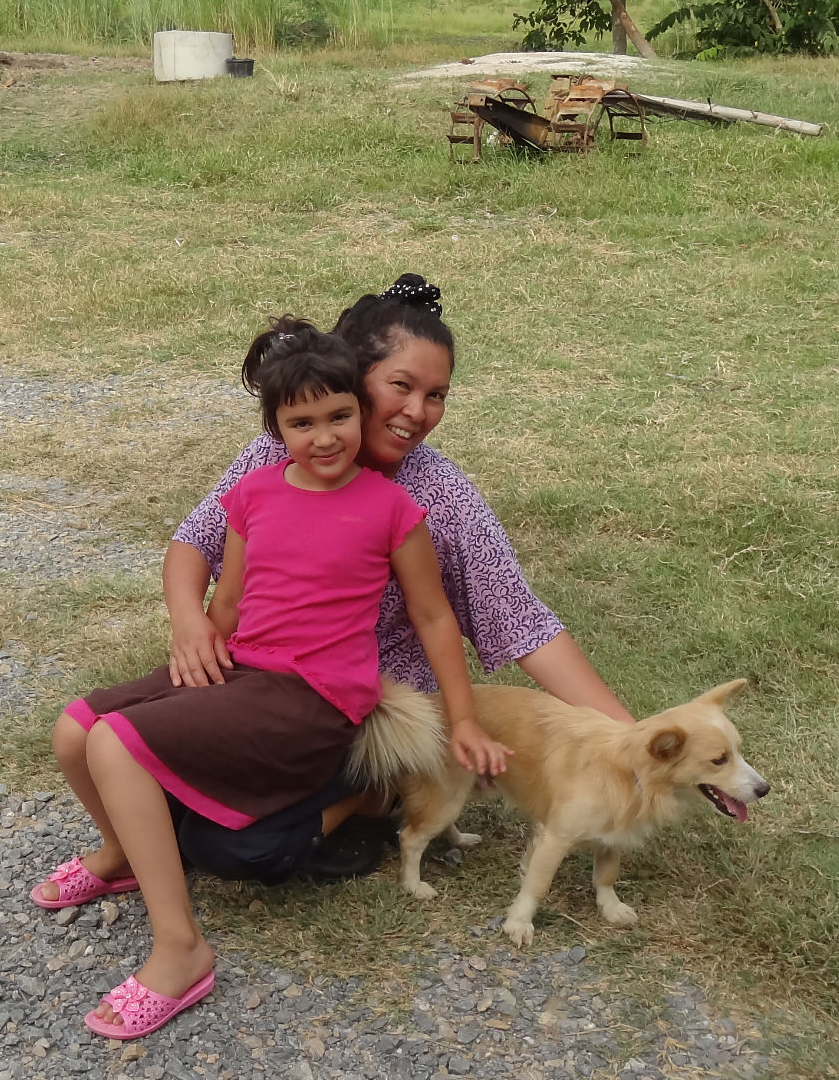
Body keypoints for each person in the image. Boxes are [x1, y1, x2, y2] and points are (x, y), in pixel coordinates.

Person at [32, 317, 513, 1039]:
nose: (325, 438)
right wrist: (195, 658)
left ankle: (181, 951)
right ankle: (122, 854)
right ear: (276, 430)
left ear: (360, 409)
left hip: (317, 698)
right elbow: (228, 601)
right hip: (248, 671)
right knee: (76, 730)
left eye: (340, 416)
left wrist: (465, 719)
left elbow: (434, 616)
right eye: (301, 424)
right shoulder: (253, 495)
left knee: (116, 744)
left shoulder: (393, 508)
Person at [161, 273, 632, 884]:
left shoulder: (444, 498)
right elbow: (192, 542)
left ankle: (373, 794)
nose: (418, 412)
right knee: (162, 787)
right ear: (353, 377)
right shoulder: (281, 455)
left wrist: (633, 741)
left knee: (225, 846)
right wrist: (189, 622)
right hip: (268, 683)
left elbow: (523, 625)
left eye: (436, 395)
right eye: (402, 386)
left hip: (373, 716)